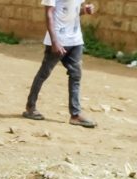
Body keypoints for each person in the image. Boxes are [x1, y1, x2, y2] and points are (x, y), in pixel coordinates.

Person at [23, 0, 98, 128]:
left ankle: (75, 114)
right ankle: (30, 107)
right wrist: (54, 41)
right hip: (58, 40)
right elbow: (49, 14)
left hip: (75, 40)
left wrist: (85, 10)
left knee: (76, 75)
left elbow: (72, 11)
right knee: (44, 73)